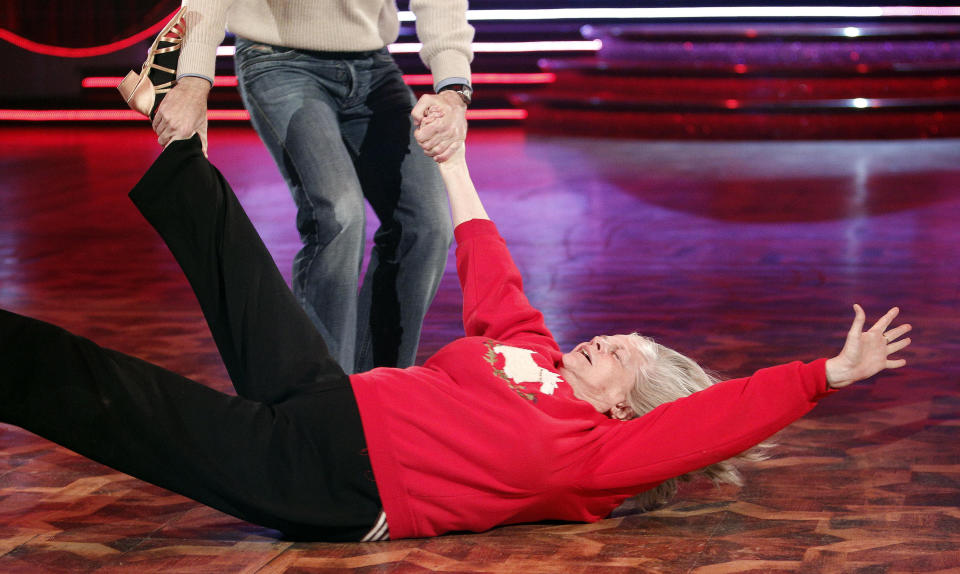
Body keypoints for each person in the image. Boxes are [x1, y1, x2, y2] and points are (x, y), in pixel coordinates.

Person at [0, 112, 911, 540]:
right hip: (331, 400)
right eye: (618, 336)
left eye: (625, 358)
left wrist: (822, 377)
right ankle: (172, 131)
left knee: (118, 396)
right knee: (244, 270)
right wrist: (454, 160)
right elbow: (487, 257)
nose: (608, 342)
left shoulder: (596, 457)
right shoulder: (535, 352)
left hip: (330, 481)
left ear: (636, 409)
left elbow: (711, 423)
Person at [132, 1, 475, 374]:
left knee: (427, 226)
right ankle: (321, 396)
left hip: (373, 65)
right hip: (277, 60)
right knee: (339, 216)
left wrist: (454, 89)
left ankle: (380, 393)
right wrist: (193, 79)